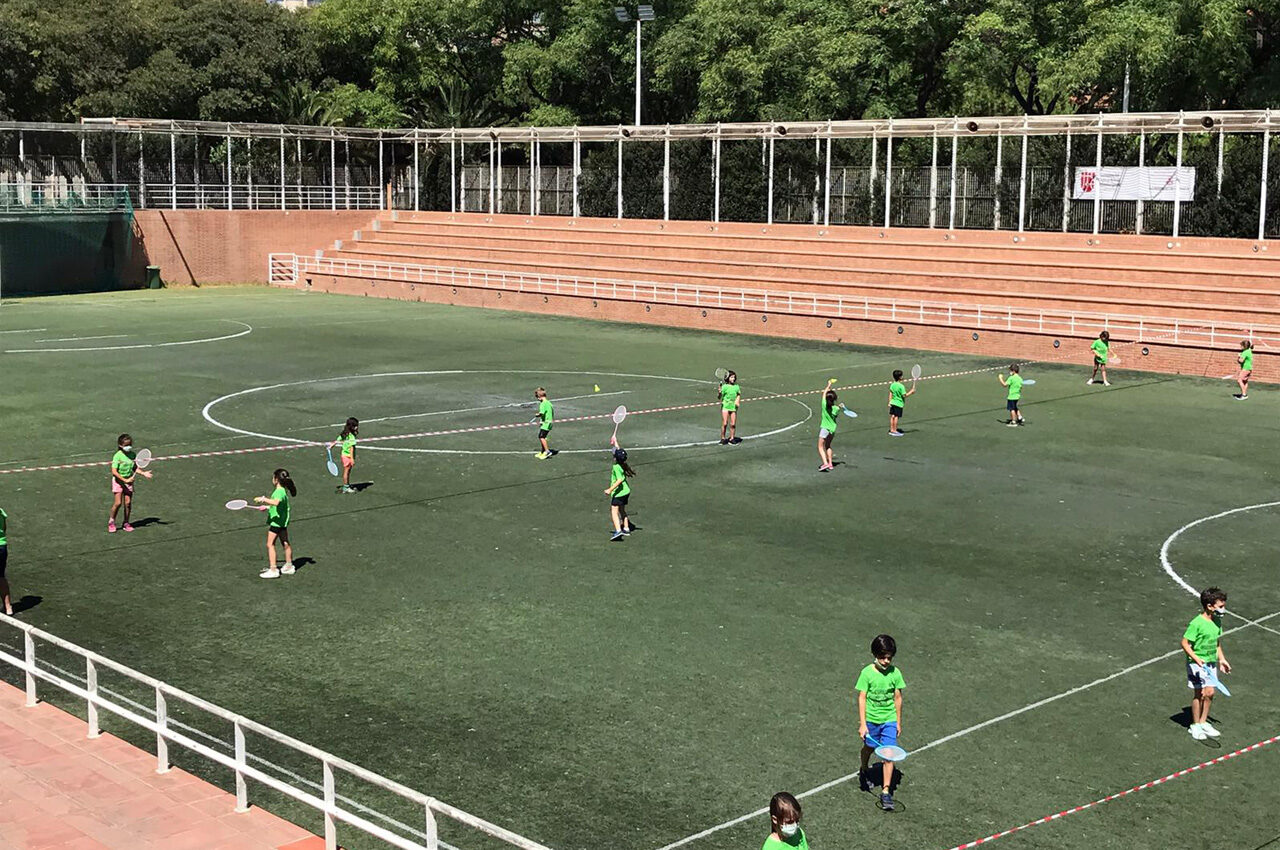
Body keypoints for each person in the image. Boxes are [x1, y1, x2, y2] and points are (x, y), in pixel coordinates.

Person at [857, 633, 906, 812]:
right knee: (869, 748)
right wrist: (863, 724)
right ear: (874, 655)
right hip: (872, 720)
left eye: (889, 658)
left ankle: (886, 792)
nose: (886, 661)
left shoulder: (896, 673)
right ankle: (864, 769)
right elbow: (862, 698)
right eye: (882, 657)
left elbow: (898, 698)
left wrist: (898, 722)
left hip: (889, 720)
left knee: (888, 754)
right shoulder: (867, 673)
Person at [1181, 587, 1231, 740]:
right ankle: (1195, 726)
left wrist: (1221, 659)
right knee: (1199, 693)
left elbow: (1216, 643)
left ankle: (1203, 722)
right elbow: (1184, 643)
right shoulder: (1196, 624)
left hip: (1210, 663)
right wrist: (1196, 658)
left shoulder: (1216, 621)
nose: (1223, 609)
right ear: (1209, 606)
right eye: (1221, 606)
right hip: (1196, 664)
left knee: (1210, 693)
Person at [255, 469, 297, 579]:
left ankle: (273, 570)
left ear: (276, 479)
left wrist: (263, 499)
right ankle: (289, 565)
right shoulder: (283, 491)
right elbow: (279, 506)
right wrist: (268, 507)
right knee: (285, 543)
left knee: (270, 544)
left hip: (276, 523)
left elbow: (276, 502)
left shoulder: (279, 492)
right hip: (282, 522)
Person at [109, 433, 152, 533]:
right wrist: (125, 480)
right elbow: (114, 472)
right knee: (118, 503)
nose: (129, 447)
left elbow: (135, 467)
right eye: (126, 445)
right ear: (120, 445)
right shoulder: (117, 456)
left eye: (130, 444)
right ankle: (111, 522)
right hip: (119, 482)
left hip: (128, 482)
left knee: (128, 503)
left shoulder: (132, 454)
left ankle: (126, 523)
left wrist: (143, 473)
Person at [604, 447, 636, 542]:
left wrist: (610, 489)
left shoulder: (616, 467)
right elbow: (618, 451)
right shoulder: (623, 464)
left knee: (614, 511)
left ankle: (618, 531)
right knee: (622, 510)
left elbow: (619, 480)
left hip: (619, 493)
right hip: (626, 492)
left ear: (615, 458)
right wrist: (615, 441)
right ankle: (626, 529)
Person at [817, 380, 845, 471]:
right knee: (828, 445)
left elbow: (824, 394)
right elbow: (836, 413)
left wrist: (828, 385)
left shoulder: (824, 405)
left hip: (825, 428)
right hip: (832, 430)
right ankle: (830, 464)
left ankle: (825, 464)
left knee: (820, 446)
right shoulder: (836, 408)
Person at [330, 418, 359, 493]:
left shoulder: (344, 433)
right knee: (346, 471)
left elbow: (337, 440)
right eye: (356, 426)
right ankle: (346, 487)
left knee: (347, 471)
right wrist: (352, 459)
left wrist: (331, 446)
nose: (357, 427)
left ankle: (347, 485)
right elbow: (351, 448)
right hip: (348, 456)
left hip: (344, 455)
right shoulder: (351, 436)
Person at [887, 371, 916, 437]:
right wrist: (911, 392)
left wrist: (889, 402)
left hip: (893, 402)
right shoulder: (901, 386)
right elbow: (904, 395)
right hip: (899, 404)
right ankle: (894, 430)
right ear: (900, 377)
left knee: (892, 416)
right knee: (896, 417)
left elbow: (890, 393)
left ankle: (892, 429)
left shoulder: (892, 384)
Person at [719, 371, 742, 445]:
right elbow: (719, 397)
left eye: (734, 377)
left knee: (733, 424)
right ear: (728, 378)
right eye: (732, 377)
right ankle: (723, 438)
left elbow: (738, 394)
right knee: (725, 423)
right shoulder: (724, 387)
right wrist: (719, 393)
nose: (733, 379)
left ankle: (732, 438)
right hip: (725, 407)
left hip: (733, 407)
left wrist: (737, 401)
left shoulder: (736, 387)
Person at [535, 388, 555, 459]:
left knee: (541, 437)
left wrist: (537, 415)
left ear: (539, 397)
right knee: (542, 436)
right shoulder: (549, 403)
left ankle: (547, 451)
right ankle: (543, 451)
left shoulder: (543, 404)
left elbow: (541, 413)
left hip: (546, 423)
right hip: (549, 422)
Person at [0, 507, 10, 616]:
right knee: (1, 576)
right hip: (2, 547)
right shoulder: (1, 512)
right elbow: (4, 528)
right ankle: (8, 607)